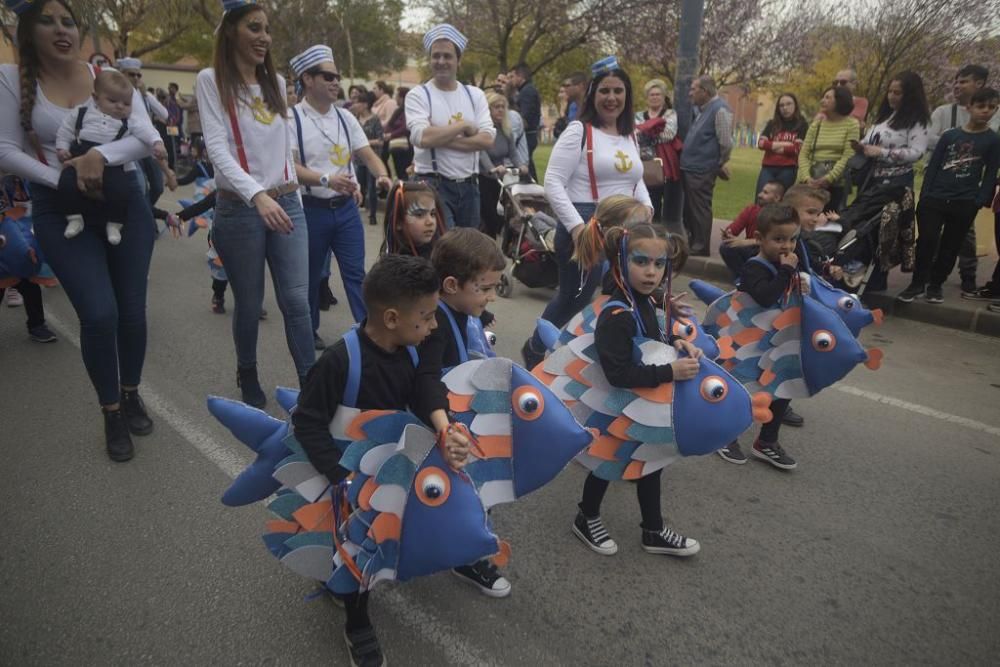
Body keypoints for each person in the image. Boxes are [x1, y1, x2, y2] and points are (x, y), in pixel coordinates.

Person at [0, 0, 160, 462]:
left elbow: (144, 137)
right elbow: (6, 149)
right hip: (58, 207)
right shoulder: (11, 81)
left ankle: (130, 392)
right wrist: (68, 179)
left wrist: (98, 159)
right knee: (99, 313)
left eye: (68, 21)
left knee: (131, 311)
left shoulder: (102, 76)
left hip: (123, 202)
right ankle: (111, 410)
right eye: (48, 21)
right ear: (26, 31)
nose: (61, 29)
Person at [292, 254, 470, 667]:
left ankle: (349, 582)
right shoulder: (338, 362)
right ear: (392, 318)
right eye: (425, 317)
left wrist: (447, 431)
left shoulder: (414, 347)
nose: (433, 325)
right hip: (343, 473)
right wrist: (342, 478)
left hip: (390, 463)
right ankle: (357, 622)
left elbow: (427, 386)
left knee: (382, 538)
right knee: (357, 544)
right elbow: (308, 423)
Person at [196, 0, 313, 407]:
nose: (263, 37)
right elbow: (218, 150)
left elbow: (284, 149)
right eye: (253, 28)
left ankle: (310, 384)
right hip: (240, 209)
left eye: (266, 29)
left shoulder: (277, 84)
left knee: (297, 300)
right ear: (231, 31)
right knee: (248, 304)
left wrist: (292, 189)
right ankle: (247, 370)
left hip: (287, 203)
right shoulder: (211, 81)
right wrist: (257, 194)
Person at [569, 217, 702, 557]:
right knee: (607, 462)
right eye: (640, 261)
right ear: (620, 262)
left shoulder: (641, 299)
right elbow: (619, 374)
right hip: (618, 404)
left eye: (659, 264)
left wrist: (675, 340)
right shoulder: (617, 315)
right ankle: (586, 515)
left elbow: (651, 334)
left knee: (651, 462)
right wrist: (670, 370)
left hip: (641, 403)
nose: (651, 272)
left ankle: (653, 530)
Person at [520, 56, 652, 369]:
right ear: (593, 94)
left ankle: (608, 358)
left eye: (618, 91)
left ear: (627, 96)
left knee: (620, 294)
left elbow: (637, 180)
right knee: (575, 298)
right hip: (585, 222)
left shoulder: (629, 134)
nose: (612, 98)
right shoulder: (579, 131)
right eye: (605, 90)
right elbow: (552, 182)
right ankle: (536, 348)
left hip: (625, 228)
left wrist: (647, 207)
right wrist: (579, 229)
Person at [419, 228, 509, 594]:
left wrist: (480, 317)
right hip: (444, 423)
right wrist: (446, 426)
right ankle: (467, 556)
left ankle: (459, 544)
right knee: (473, 488)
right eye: (484, 289)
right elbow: (426, 380)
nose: (490, 297)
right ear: (452, 285)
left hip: (458, 417)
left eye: (492, 289)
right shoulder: (434, 326)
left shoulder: (455, 312)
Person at [287, 45, 390, 350]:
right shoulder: (292, 118)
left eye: (337, 77)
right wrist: (326, 179)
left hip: (345, 211)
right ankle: (308, 332)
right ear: (307, 78)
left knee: (357, 274)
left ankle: (370, 333)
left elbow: (368, 154)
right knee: (309, 276)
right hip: (311, 210)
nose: (336, 82)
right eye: (328, 76)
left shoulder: (346, 117)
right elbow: (290, 166)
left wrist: (382, 174)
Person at [716, 204, 802, 469]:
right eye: (779, 239)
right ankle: (725, 436)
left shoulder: (784, 262)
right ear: (760, 238)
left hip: (775, 342)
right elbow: (765, 296)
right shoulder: (756, 266)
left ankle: (766, 441)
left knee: (782, 387)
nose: (787, 246)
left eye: (792, 239)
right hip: (749, 344)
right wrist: (787, 271)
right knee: (745, 389)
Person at [896, 88, 1000, 305]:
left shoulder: (992, 140)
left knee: (950, 246)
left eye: (992, 107)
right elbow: (933, 166)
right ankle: (917, 283)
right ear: (969, 107)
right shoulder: (950, 136)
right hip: (935, 199)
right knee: (927, 241)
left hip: (965, 201)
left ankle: (936, 285)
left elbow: (991, 172)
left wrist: (980, 200)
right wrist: (925, 195)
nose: (986, 111)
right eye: (981, 106)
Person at [55, 69, 170, 244]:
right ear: (95, 98)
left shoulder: (130, 120)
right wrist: (62, 148)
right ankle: (74, 217)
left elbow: (148, 131)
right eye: (112, 101)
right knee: (66, 183)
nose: (120, 106)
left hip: (114, 163)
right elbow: (65, 130)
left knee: (121, 191)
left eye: (126, 103)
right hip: (80, 155)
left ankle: (115, 223)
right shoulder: (81, 113)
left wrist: (157, 143)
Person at [406, 24, 494, 229]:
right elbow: (422, 138)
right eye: (436, 56)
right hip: (432, 185)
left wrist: (439, 136)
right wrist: (463, 125)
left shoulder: (475, 95)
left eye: (447, 56)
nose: (441, 61)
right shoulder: (418, 95)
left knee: (466, 252)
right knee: (445, 248)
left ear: (458, 61)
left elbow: (487, 139)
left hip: (470, 187)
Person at [928, 65, 1000, 296]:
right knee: (933, 233)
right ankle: (930, 274)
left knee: (963, 235)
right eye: (956, 81)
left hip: (966, 190)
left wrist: (980, 196)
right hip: (941, 184)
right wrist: (955, 138)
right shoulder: (943, 112)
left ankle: (967, 274)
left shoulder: (993, 116)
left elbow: (990, 151)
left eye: (964, 82)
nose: (958, 86)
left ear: (979, 84)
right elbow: (930, 139)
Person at [680, 75, 733, 256]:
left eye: (694, 89)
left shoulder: (720, 109)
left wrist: (719, 162)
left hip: (702, 168)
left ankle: (700, 247)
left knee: (700, 208)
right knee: (690, 208)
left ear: (705, 91)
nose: (690, 93)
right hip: (692, 167)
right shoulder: (702, 109)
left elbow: (726, 142)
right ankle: (694, 242)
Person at [797, 86, 858, 212]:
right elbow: (803, 154)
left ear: (839, 101)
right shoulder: (816, 125)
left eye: (827, 97)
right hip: (811, 181)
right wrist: (807, 178)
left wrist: (828, 178)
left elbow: (848, 156)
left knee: (828, 222)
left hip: (836, 184)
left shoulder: (852, 125)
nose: (822, 101)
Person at [478, 90, 526, 238]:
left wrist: (522, 165)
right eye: (496, 106)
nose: (500, 110)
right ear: (488, 109)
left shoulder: (506, 129)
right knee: (490, 216)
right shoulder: (483, 130)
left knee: (503, 211)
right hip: (483, 177)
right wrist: (491, 168)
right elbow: (482, 152)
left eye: (502, 106)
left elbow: (513, 152)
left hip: (500, 178)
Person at [718, 180, 785, 280]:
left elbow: (777, 241)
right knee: (726, 247)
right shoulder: (751, 210)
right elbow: (732, 230)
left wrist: (745, 242)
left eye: (765, 193)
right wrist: (728, 235)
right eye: (761, 191)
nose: (760, 195)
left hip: (771, 253)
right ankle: (742, 281)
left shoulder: (782, 215)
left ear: (777, 198)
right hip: (752, 250)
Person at [635, 78, 679, 224]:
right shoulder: (638, 115)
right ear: (647, 98)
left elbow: (669, 134)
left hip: (663, 163)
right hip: (641, 161)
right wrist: (654, 130)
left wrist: (646, 132)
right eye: (651, 94)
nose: (654, 97)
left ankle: (658, 227)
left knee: (661, 197)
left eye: (658, 94)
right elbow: (635, 134)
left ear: (663, 96)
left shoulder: (670, 114)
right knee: (642, 195)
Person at [380, 179, 446, 258]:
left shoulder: (440, 257)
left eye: (432, 214)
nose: (430, 222)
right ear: (398, 222)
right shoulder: (392, 265)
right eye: (419, 215)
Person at [756, 93, 808, 193]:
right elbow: (761, 144)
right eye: (782, 105)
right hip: (768, 168)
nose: (785, 108)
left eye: (789, 104)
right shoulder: (772, 124)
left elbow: (797, 149)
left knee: (781, 202)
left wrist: (771, 145)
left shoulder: (802, 125)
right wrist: (785, 145)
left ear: (795, 105)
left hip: (788, 169)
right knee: (761, 199)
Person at [351, 91, 385, 227]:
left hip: (372, 158)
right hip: (357, 160)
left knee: (371, 188)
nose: (355, 105)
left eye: (358, 102)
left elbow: (381, 140)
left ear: (365, 104)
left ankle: (372, 215)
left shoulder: (375, 119)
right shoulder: (353, 118)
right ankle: (355, 214)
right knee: (357, 186)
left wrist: (363, 143)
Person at [509, 63, 540, 179]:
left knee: (525, 166)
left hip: (527, 135)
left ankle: (532, 189)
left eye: (512, 76)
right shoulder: (526, 90)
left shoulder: (527, 91)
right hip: (527, 134)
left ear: (520, 76)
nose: (510, 80)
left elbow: (524, 118)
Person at [384, 86, 412, 180]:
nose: (395, 97)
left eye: (397, 95)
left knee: (404, 173)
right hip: (396, 146)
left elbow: (405, 127)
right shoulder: (398, 111)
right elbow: (390, 124)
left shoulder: (407, 111)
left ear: (402, 97)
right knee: (398, 172)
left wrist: (391, 135)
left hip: (405, 146)